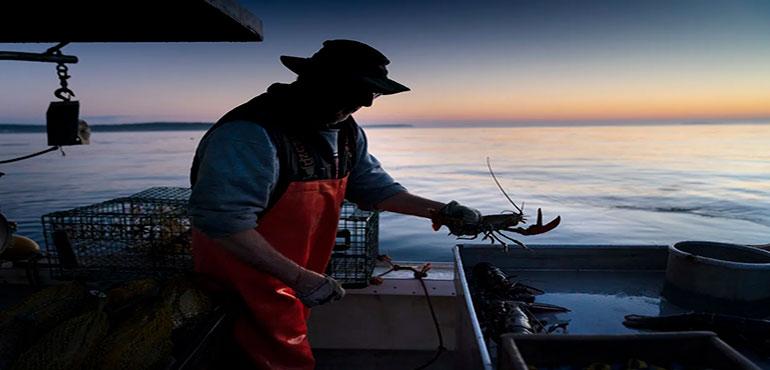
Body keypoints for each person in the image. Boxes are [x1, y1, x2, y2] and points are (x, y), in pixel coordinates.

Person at [188, 39, 482, 370]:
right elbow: (223, 223)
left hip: (290, 281)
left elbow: (376, 189)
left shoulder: (344, 131)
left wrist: (443, 211)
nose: (368, 103)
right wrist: (300, 278)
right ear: (316, 80)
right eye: (359, 90)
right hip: (239, 285)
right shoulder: (250, 134)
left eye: (375, 92)